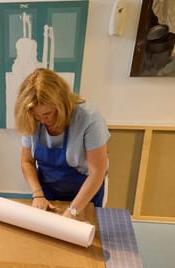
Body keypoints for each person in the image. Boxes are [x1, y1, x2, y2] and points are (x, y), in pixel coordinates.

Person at [14, 68, 109, 219]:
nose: (43, 121)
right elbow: (27, 161)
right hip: (48, 189)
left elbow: (97, 172)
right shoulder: (31, 119)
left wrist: (72, 211)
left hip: (86, 191)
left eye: (47, 114)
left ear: (61, 104)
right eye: (37, 116)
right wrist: (38, 194)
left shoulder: (88, 118)